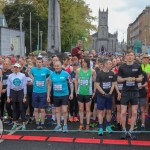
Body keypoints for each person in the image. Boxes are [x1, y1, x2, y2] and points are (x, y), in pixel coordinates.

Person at [118, 50, 142, 140]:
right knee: (123, 112)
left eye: (131, 55)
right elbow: (119, 79)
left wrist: (134, 79)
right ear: (126, 56)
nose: (130, 57)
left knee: (134, 112)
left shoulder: (137, 66)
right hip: (125, 92)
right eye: (128, 55)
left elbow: (140, 78)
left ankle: (131, 131)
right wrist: (126, 79)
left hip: (135, 91)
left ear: (134, 57)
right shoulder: (122, 67)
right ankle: (124, 130)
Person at [47, 61, 73, 132]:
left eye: (58, 66)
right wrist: (48, 95)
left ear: (61, 66)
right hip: (56, 95)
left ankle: (65, 125)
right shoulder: (52, 75)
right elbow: (49, 85)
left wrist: (71, 93)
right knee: (57, 111)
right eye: (55, 66)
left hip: (64, 94)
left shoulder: (66, 74)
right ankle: (58, 125)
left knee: (64, 110)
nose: (56, 67)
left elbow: (71, 84)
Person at [29, 57, 51, 130]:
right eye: (37, 62)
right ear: (36, 63)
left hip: (43, 92)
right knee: (35, 109)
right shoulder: (33, 69)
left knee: (42, 110)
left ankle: (42, 123)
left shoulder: (46, 69)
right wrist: (32, 78)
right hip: (35, 92)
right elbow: (29, 73)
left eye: (40, 62)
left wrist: (47, 79)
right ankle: (37, 123)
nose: (38, 64)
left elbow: (51, 74)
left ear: (42, 63)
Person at [95, 58, 116, 135]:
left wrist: (110, 93)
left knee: (109, 111)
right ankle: (100, 127)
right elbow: (97, 85)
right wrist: (104, 93)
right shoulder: (99, 74)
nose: (111, 65)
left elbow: (114, 84)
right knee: (100, 111)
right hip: (101, 95)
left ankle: (108, 126)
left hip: (109, 96)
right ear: (105, 64)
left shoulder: (112, 73)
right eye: (110, 64)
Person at [75, 57, 96, 130]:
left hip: (88, 93)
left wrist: (94, 91)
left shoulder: (92, 71)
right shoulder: (78, 70)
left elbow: (95, 82)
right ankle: (81, 124)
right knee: (81, 109)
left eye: (84, 62)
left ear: (87, 63)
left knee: (87, 109)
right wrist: (76, 91)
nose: (83, 63)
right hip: (80, 92)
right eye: (82, 62)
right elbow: (76, 80)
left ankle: (87, 124)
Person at [7, 63, 27, 130]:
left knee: (21, 108)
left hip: (20, 91)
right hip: (13, 92)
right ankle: (14, 123)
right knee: (14, 108)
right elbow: (8, 87)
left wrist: (24, 96)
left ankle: (24, 124)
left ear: (19, 68)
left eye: (17, 67)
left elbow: (24, 86)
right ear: (13, 68)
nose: (16, 69)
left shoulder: (23, 75)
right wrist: (8, 97)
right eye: (15, 67)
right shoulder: (10, 76)